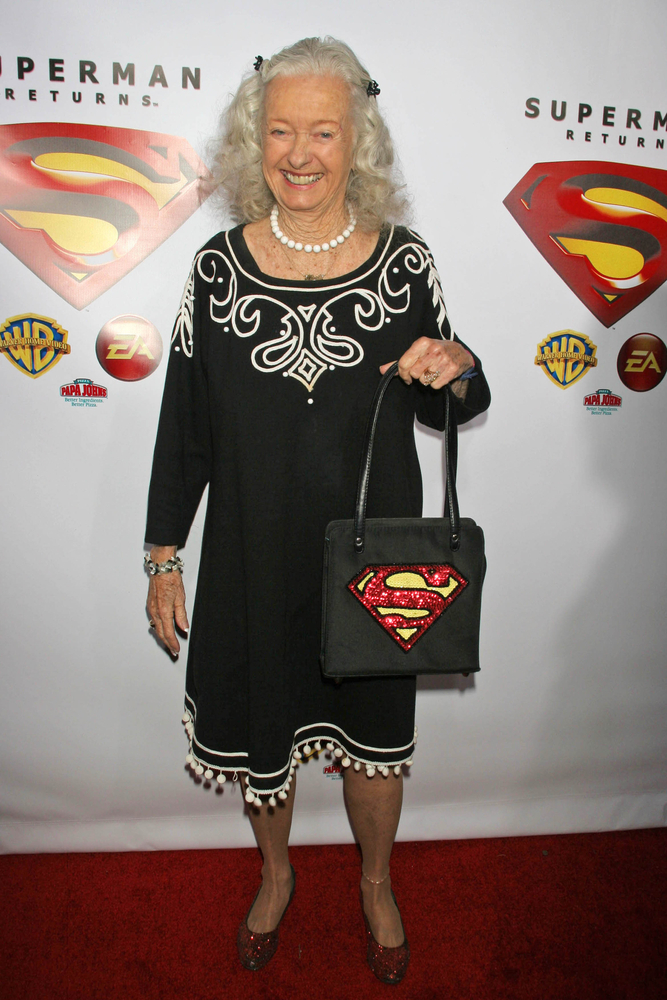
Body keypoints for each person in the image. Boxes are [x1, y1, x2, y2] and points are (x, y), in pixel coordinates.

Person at [145, 36, 490, 985]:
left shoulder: (405, 264)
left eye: (323, 132)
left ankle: (375, 883)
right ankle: (276, 874)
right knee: (266, 732)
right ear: (253, 141)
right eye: (279, 131)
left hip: (375, 562)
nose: (299, 154)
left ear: (357, 142)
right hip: (253, 554)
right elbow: (185, 432)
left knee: (375, 746)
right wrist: (164, 555)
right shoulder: (217, 270)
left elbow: (451, 401)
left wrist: (456, 366)